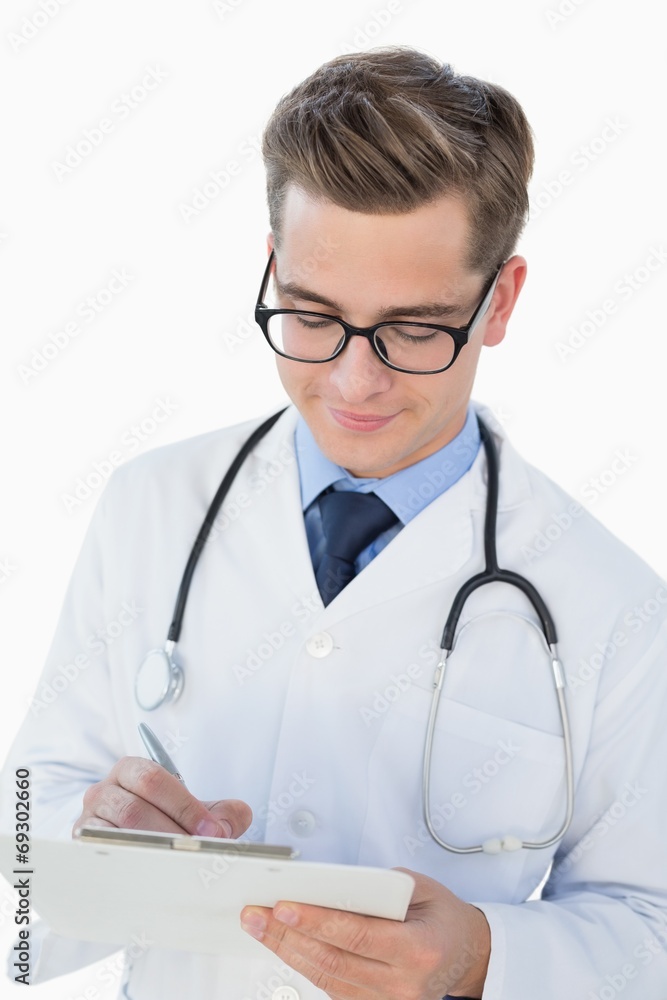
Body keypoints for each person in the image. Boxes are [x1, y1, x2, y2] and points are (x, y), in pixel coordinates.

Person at [2, 45, 667, 1000]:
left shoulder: (614, 606)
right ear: (272, 269)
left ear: (499, 303)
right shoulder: (150, 504)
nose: (355, 382)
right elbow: (25, 828)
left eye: (414, 329)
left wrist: (483, 958)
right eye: (312, 315)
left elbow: (647, 926)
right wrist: (92, 844)